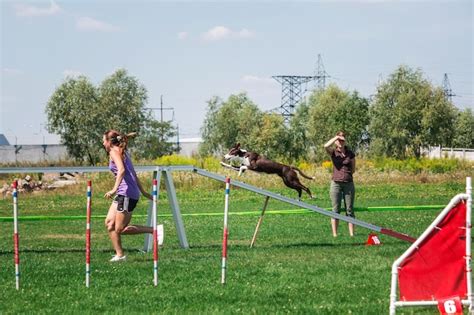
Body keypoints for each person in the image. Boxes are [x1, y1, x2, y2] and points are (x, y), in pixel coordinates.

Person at [103, 130, 153, 262]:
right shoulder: (121, 151)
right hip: (125, 192)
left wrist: (113, 189)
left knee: (120, 229)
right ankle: (120, 255)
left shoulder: (114, 152)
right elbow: (133, 175)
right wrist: (143, 192)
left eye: (104, 141)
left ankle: (154, 230)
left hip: (125, 193)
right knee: (109, 223)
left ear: (109, 142)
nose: (103, 143)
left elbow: (122, 170)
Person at [324, 131, 356, 237]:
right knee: (335, 210)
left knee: (349, 210)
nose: (341, 142)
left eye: (343, 140)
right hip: (336, 184)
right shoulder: (333, 152)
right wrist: (336, 137)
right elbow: (325, 146)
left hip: (348, 184)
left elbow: (353, 169)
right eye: (339, 140)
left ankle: (352, 234)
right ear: (336, 141)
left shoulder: (350, 153)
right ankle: (335, 235)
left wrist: (346, 175)